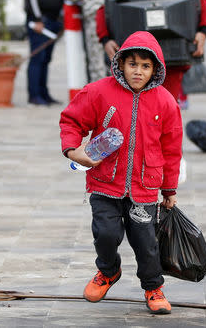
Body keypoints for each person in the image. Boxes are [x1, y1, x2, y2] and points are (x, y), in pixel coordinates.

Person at [60, 31, 183, 315]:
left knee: (146, 244)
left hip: (144, 188)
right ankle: (108, 271)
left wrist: (169, 189)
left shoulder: (165, 102)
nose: (138, 71)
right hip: (104, 183)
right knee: (105, 233)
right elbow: (71, 120)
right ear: (120, 64)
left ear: (155, 69)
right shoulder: (98, 92)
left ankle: (153, 287)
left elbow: (172, 148)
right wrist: (72, 149)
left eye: (145, 66)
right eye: (132, 64)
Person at [24, 0, 64, 106]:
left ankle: (44, 93)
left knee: (46, 59)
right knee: (37, 58)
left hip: (53, 21)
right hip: (40, 22)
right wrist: (37, 18)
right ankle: (34, 95)